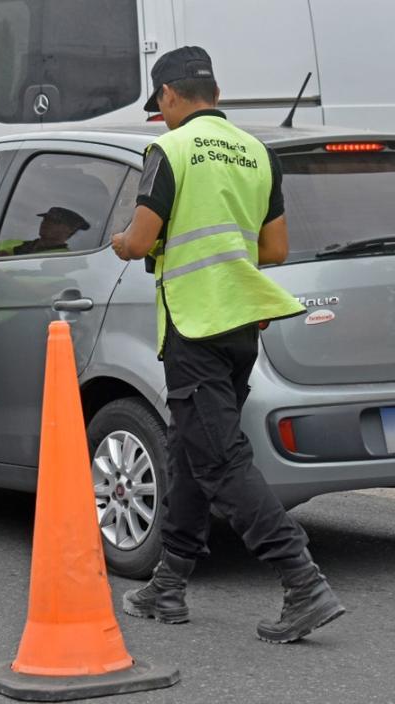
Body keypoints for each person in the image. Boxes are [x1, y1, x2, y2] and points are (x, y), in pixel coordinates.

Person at [109, 46, 344, 643]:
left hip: (194, 324)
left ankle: (302, 580)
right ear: (214, 93)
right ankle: (169, 583)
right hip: (241, 326)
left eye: (159, 104)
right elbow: (275, 250)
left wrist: (124, 242)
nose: (160, 115)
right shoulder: (258, 153)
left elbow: (141, 239)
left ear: (168, 95)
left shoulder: (171, 150)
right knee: (191, 451)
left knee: (218, 458)